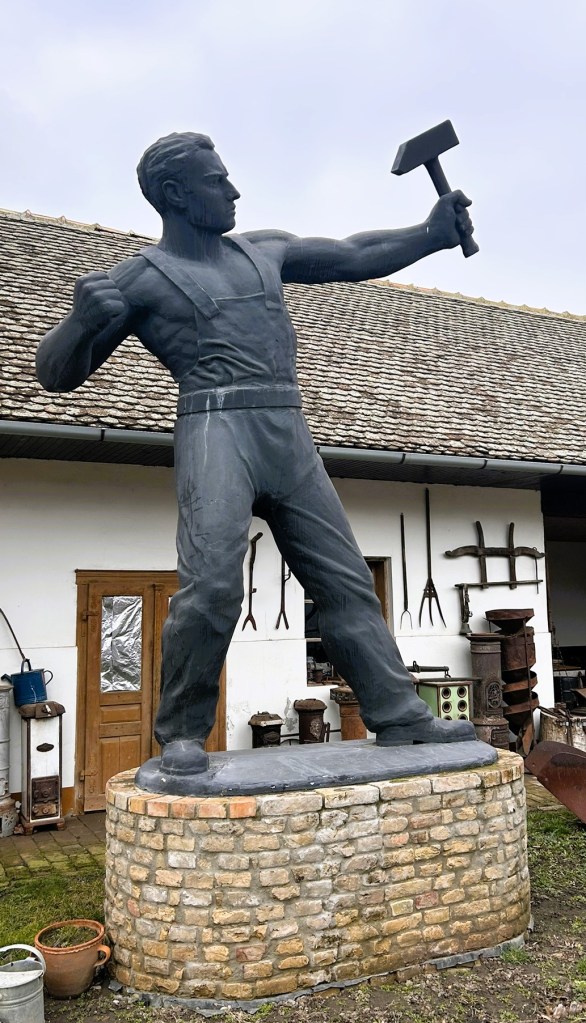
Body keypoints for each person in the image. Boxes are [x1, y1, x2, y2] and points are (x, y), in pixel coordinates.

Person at [36, 132, 477, 786]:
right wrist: (78, 324)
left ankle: (397, 709)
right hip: (216, 427)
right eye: (218, 180)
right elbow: (56, 374)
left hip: (286, 426)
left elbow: (355, 254)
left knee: (346, 578)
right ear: (177, 196)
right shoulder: (138, 278)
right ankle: (182, 732)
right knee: (212, 583)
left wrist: (431, 233)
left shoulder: (263, 249)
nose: (235, 189)